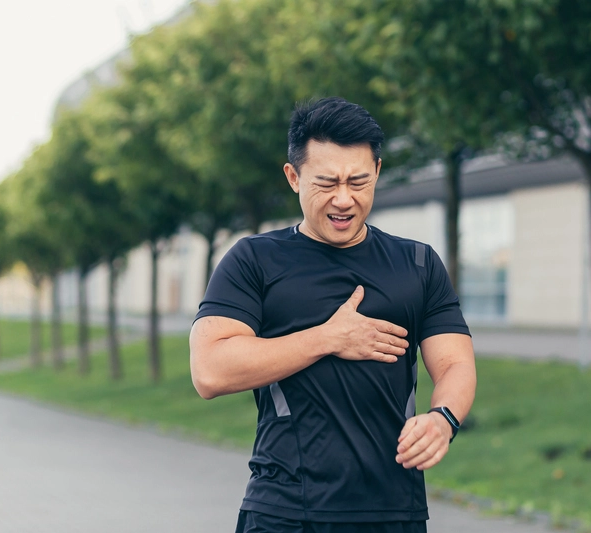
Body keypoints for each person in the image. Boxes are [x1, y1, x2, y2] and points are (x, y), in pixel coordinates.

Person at [190, 97, 476, 533]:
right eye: (327, 183)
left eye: (358, 182)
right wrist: (328, 338)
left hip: (394, 511)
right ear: (293, 176)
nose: (344, 199)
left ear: (378, 172)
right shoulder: (254, 261)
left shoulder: (417, 264)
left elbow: (455, 362)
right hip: (284, 511)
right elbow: (209, 371)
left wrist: (444, 419)